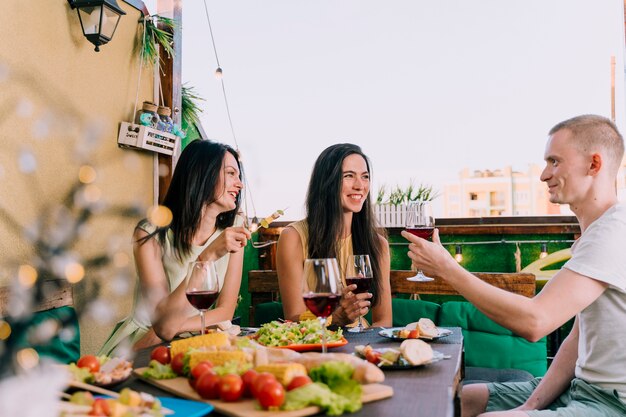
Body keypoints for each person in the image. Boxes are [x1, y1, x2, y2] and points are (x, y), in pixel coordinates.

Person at [403, 115, 626, 417]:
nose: (544, 174)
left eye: (555, 162)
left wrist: (447, 269)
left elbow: (535, 323)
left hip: (612, 403)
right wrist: (529, 406)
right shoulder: (595, 234)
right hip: (580, 388)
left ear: (594, 165)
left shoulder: (612, 233)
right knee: (461, 399)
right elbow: (577, 340)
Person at [99, 140, 251, 356]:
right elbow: (163, 323)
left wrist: (176, 327)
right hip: (143, 344)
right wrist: (206, 258)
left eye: (238, 176)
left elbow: (225, 310)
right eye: (230, 173)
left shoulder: (233, 229)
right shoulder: (149, 233)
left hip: (185, 338)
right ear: (202, 174)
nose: (240, 184)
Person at [276, 143, 392, 327]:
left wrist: (363, 350)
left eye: (365, 177)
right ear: (327, 182)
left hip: (363, 346)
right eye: (348, 176)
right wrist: (335, 319)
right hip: (317, 348)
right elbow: (293, 317)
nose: (359, 185)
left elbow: (384, 320)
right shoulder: (293, 237)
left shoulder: (378, 244)